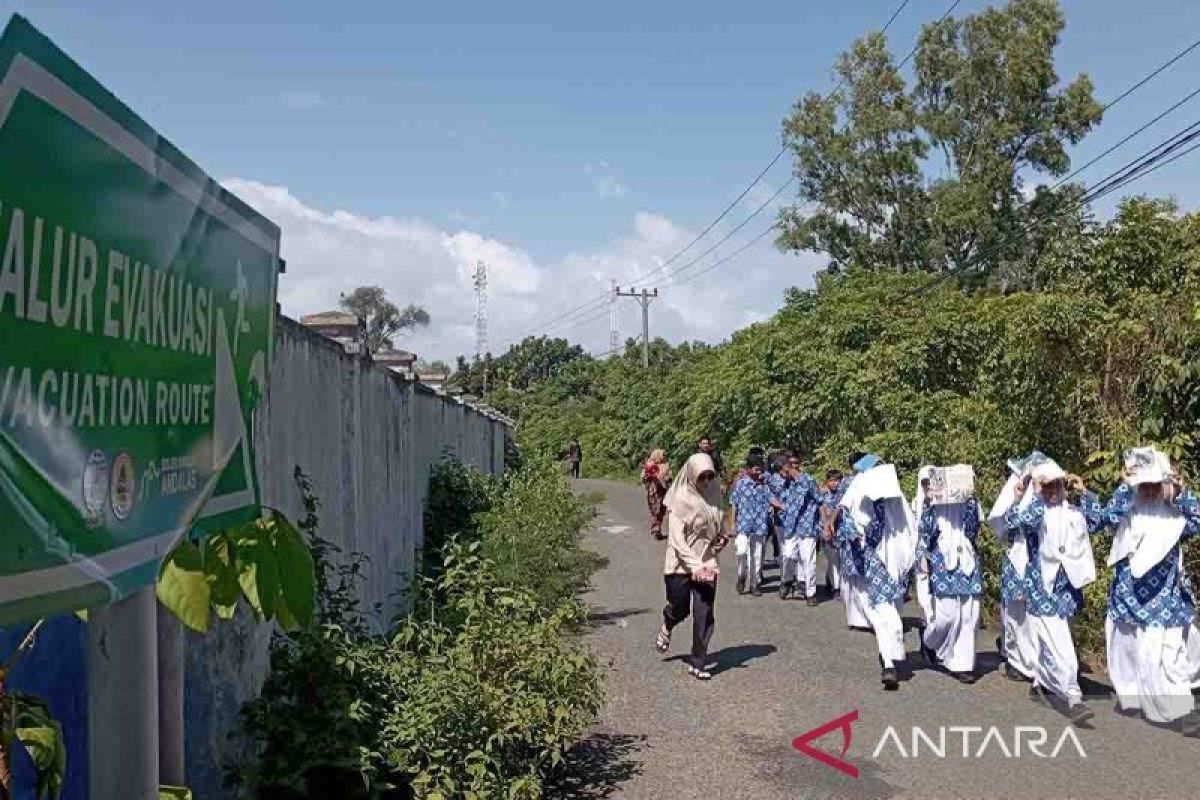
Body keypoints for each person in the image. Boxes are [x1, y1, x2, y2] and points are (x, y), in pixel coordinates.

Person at [1095, 447, 1200, 728]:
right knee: (1126, 647)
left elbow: (1198, 520)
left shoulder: (1174, 515)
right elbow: (1104, 519)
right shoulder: (1127, 510)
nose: (1150, 490)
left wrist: (1180, 492)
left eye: (1156, 485)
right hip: (1128, 594)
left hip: (1165, 596)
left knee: (1166, 649)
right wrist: (1125, 485)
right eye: (1145, 485)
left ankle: (1177, 709)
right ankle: (1133, 698)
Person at [1004, 458, 1102, 725]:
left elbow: (1098, 521)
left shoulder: (1073, 513)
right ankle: (1073, 695)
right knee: (1060, 645)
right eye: (1047, 487)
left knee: (1053, 641)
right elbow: (1016, 522)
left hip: (1067, 589)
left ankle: (1040, 683)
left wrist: (1084, 491)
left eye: (1056, 485)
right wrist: (1031, 493)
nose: (1052, 491)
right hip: (1041, 589)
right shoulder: (1036, 514)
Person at [837, 462, 917, 690]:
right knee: (882, 613)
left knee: (891, 611)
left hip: (896, 563)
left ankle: (892, 657)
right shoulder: (859, 496)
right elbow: (849, 526)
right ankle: (889, 662)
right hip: (872, 563)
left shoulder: (897, 501)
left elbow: (910, 532)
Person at [655, 452, 726, 680]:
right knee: (680, 607)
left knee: (704, 613)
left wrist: (721, 540)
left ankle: (699, 661)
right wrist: (694, 565)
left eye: (709, 476)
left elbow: (719, 525)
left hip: (706, 563)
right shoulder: (681, 499)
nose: (706, 482)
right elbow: (676, 540)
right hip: (681, 565)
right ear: (691, 475)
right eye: (701, 477)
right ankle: (668, 623)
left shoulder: (715, 493)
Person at [916, 477, 983, 683]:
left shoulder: (967, 506)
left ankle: (961, 664)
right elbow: (925, 534)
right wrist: (928, 502)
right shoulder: (930, 507)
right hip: (942, 561)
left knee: (968, 615)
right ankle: (929, 641)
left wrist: (971, 499)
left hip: (967, 561)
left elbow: (972, 530)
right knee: (946, 616)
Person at [988, 454, 1040, 683]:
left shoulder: (1048, 496)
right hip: (1018, 557)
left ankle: (1035, 662)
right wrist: (1017, 499)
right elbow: (1001, 523)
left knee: (1035, 615)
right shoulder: (1016, 491)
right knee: (1015, 613)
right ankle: (1015, 658)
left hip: (1040, 560)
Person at [775, 454, 824, 604]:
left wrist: (825, 523)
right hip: (791, 527)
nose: (781, 475)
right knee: (788, 555)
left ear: (787, 468)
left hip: (807, 526)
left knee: (808, 559)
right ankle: (787, 580)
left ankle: (810, 593)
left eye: (781, 472)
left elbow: (820, 501)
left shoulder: (808, 481)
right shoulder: (786, 484)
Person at [729, 453, 780, 596]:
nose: (759, 472)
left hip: (760, 525)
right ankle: (741, 575)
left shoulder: (764, 486)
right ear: (749, 469)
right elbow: (734, 504)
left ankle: (755, 583)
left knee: (757, 556)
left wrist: (783, 507)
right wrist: (732, 524)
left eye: (760, 470)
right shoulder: (740, 484)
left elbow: (772, 500)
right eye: (756, 469)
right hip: (743, 525)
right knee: (741, 551)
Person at [910, 466, 935, 625]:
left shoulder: (942, 503)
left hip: (937, 548)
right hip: (921, 548)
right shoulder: (916, 503)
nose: (928, 486)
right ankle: (928, 616)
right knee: (923, 583)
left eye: (931, 482)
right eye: (925, 482)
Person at [819, 470, 844, 597]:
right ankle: (835, 587)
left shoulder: (842, 494)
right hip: (825, 528)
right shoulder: (822, 493)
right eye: (832, 480)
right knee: (831, 558)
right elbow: (821, 508)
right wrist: (826, 526)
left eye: (837, 480)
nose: (835, 483)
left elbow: (838, 509)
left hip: (839, 529)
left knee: (838, 559)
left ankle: (835, 584)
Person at [641, 449, 672, 540]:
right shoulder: (649, 464)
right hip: (652, 491)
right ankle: (656, 528)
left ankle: (656, 528)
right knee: (655, 509)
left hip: (662, 490)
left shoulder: (666, 466)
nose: (664, 456)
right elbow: (642, 477)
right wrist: (648, 475)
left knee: (661, 510)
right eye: (662, 454)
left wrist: (664, 478)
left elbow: (669, 477)